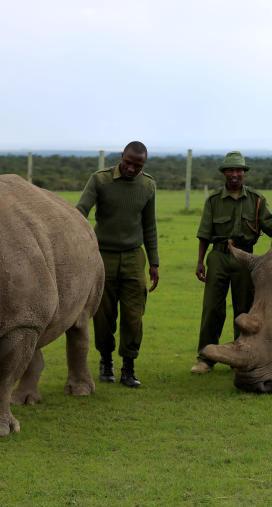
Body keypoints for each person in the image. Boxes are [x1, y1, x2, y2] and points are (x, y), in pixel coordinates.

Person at [76, 141, 159, 387]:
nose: (132, 168)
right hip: (102, 256)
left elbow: (150, 226)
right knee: (103, 315)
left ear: (144, 164)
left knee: (134, 316)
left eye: (138, 165)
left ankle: (129, 368)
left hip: (134, 257)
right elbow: (81, 210)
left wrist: (153, 262)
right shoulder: (100, 180)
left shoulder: (148, 186)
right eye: (129, 162)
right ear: (122, 157)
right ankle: (105, 361)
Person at [191, 151, 272, 374]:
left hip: (245, 258)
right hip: (218, 257)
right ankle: (205, 358)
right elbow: (204, 234)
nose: (234, 174)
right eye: (230, 170)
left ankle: (241, 354)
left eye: (239, 170)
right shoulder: (213, 201)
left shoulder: (257, 201)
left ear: (244, 173)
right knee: (212, 308)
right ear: (224, 173)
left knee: (244, 309)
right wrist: (200, 262)